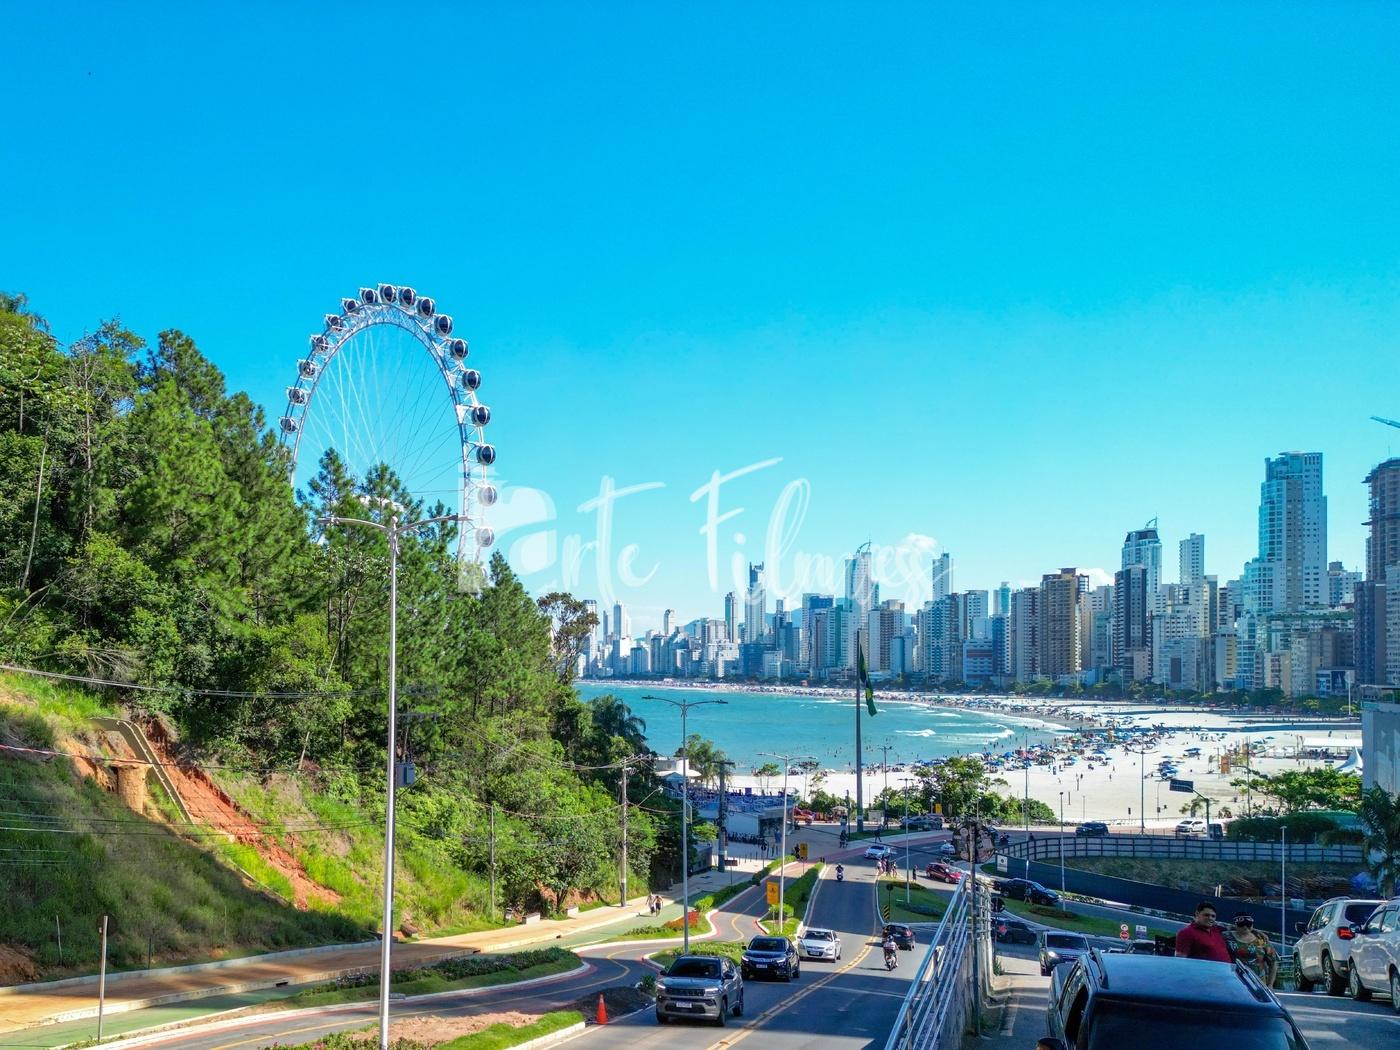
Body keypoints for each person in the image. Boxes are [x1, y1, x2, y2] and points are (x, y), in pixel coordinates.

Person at [1228, 914, 1279, 986]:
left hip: (1258, 984)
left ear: (1252, 925)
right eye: (1241, 925)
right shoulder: (1226, 937)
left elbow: (1273, 962)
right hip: (1234, 981)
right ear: (1235, 925)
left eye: (1248, 925)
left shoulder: (1261, 939)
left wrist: (1270, 985)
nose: (1245, 927)